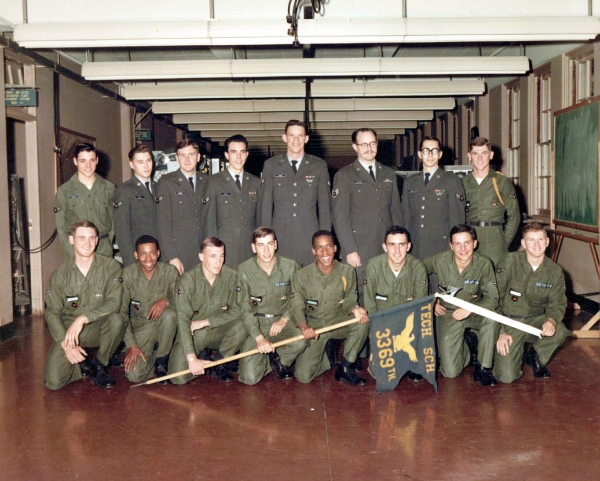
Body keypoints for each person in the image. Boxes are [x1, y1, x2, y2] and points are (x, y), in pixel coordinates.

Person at [43, 220, 124, 390]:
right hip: (69, 331)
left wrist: (83, 318)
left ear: (97, 240)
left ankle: (100, 364)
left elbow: (114, 302)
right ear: (71, 240)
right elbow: (52, 312)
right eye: (81, 238)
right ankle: (81, 362)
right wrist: (66, 345)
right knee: (53, 382)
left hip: (99, 327)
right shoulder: (59, 275)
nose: (87, 243)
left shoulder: (111, 267)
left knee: (117, 320)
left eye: (92, 238)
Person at [423, 224, 500, 387]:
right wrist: (431, 299)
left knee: (492, 318)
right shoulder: (439, 259)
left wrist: (470, 309)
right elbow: (417, 272)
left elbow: (493, 298)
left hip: (475, 311)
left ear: (475, 243)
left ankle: (483, 368)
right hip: (449, 315)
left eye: (467, 243)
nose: (463, 248)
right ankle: (468, 344)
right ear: (451, 245)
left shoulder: (484, 264)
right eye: (457, 244)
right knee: (450, 372)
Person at [290, 230, 370, 385]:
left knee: (362, 323)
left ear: (335, 248)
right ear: (313, 251)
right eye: (319, 248)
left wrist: (355, 309)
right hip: (315, 326)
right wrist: (304, 326)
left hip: (337, 320)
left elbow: (349, 300)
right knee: (303, 376)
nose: (325, 252)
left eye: (328, 246)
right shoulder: (301, 275)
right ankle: (330, 356)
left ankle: (345, 367)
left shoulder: (347, 271)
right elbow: (296, 306)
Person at [494, 222, 570, 383]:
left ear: (548, 242)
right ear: (523, 243)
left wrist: (551, 320)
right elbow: (495, 298)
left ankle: (535, 355)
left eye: (540, 240)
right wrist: (500, 331)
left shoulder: (555, 271)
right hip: (509, 321)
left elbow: (557, 303)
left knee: (560, 330)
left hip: (535, 320)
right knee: (507, 377)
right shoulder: (510, 261)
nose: (536, 245)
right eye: (531, 240)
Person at [331, 128, 402, 296]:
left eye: (372, 143)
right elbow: (340, 218)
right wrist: (350, 249)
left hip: (386, 247)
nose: (369, 148)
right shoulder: (344, 175)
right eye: (363, 144)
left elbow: (396, 211)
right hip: (359, 248)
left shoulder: (389, 174)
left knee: (388, 291)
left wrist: (399, 244)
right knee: (360, 293)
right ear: (355, 147)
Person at [168, 237, 248, 384]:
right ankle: (203, 361)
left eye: (221, 256)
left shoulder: (231, 276)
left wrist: (206, 322)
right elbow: (183, 320)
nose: (218, 262)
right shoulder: (187, 281)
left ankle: (219, 363)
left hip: (218, 330)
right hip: (194, 335)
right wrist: (191, 359)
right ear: (201, 257)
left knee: (241, 326)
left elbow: (239, 310)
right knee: (178, 378)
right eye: (212, 256)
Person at [237, 227, 307, 385]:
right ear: (254, 248)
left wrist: (285, 319)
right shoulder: (244, 270)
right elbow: (245, 309)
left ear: (276, 244)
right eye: (261, 245)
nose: (266, 250)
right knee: (249, 378)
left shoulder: (291, 266)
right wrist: (259, 338)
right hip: (257, 324)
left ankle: (278, 359)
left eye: (269, 244)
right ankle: (268, 358)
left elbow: (298, 299)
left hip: (282, 323)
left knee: (301, 339)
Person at [260, 120, 331, 266]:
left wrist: (324, 241)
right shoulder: (271, 165)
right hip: (280, 235)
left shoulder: (318, 166)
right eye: (292, 135)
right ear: (284, 137)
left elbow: (325, 206)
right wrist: (266, 240)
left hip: (309, 234)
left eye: (300, 135)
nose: (296, 140)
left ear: (306, 139)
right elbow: (265, 205)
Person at [363, 225, 429, 382]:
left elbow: (421, 309)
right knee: (382, 374)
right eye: (392, 245)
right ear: (385, 247)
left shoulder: (418, 268)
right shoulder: (373, 266)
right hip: (383, 328)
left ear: (409, 246)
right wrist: (377, 344)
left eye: (401, 244)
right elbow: (371, 309)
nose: (397, 251)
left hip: (408, 329)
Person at [120, 235, 179, 383]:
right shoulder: (127, 274)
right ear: (136, 255)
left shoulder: (170, 271)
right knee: (134, 376)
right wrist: (131, 345)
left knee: (169, 315)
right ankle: (158, 359)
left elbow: (182, 302)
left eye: (152, 252)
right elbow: (121, 313)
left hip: (166, 326)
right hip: (141, 326)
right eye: (143, 253)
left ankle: (161, 361)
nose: (148, 258)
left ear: (158, 253)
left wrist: (166, 301)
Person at [401, 136, 465, 260]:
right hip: (415, 246)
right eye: (426, 150)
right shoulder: (409, 182)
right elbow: (406, 217)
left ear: (440, 154)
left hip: (441, 247)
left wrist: (454, 247)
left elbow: (457, 219)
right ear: (420, 154)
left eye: (434, 150)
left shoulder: (452, 181)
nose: (430, 155)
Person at [203, 135, 261, 268]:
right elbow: (209, 221)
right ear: (227, 155)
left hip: (249, 249)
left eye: (242, 152)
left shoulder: (255, 183)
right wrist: (212, 252)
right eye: (234, 152)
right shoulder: (214, 182)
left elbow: (259, 219)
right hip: (224, 249)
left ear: (247, 154)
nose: (238, 157)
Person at [462, 137, 520, 266]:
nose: (480, 158)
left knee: (495, 281)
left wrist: (504, 241)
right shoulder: (462, 183)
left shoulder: (502, 182)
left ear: (491, 155)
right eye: (475, 153)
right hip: (469, 238)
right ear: (469, 156)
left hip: (494, 238)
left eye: (484, 153)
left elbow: (514, 216)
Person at [53, 142, 115, 259]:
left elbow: (113, 220)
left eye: (91, 160)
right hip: (76, 251)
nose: (88, 165)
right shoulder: (65, 191)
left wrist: (107, 244)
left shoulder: (109, 188)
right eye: (83, 161)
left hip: (103, 251)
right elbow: (61, 227)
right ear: (75, 161)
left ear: (97, 160)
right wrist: (72, 252)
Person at [155, 138, 207, 275]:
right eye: (182, 155)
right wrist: (172, 256)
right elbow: (163, 224)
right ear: (177, 158)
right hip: (180, 253)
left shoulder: (207, 181)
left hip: (204, 251)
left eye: (191, 154)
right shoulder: (166, 183)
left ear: (198, 157)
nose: (187, 159)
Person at [113, 145, 158, 267]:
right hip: (139, 257)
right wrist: (130, 262)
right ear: (132, 165)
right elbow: (122, 230)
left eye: (148, 160)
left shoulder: (158, 187)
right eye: (140, 162)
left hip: (158, 255)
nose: (146, 166)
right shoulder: (125, 191)